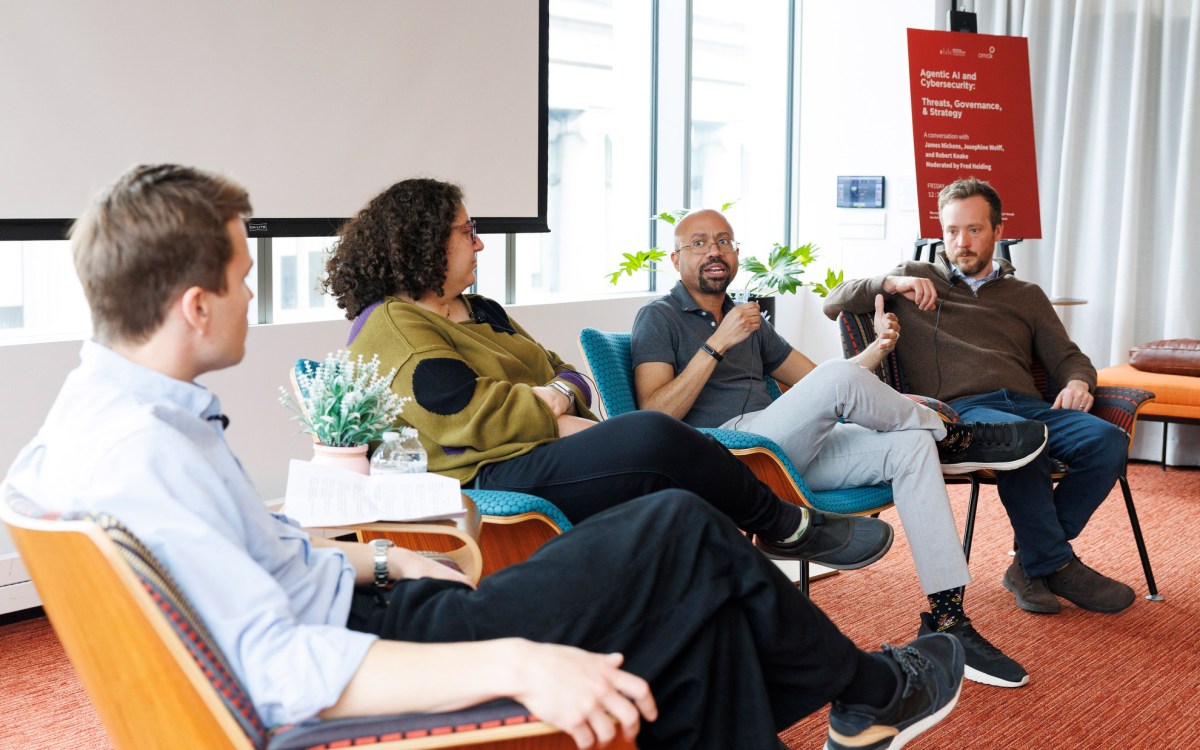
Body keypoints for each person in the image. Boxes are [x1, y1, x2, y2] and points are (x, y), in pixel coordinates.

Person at [2, 164, 967, 750]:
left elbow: (248, 561)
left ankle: (862, 704)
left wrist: (378, 556)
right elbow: (279, 669)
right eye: (244, 275)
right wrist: (521, 661)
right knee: (680, 530)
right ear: (193, 306)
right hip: (385, 652)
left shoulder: (106, 427)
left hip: (384, 600)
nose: (255, 293)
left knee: (691, 593)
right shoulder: (146, 454)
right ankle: (870, 693)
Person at [323, 177, 893, 572]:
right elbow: (476, 417)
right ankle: (787, 526)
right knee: (653, 436)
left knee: (686, 513)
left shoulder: (482, 310)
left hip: (541, 454)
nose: (479, 242)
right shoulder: (394, 325)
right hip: (485, 479)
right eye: (465, 231)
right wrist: (556, 412)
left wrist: (555, 396)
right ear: (424, 244)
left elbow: (566, 372)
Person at [630, 208, 1045, 690]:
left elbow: (818, 383)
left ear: (737, 253)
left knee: (911, 445)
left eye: (724, 241)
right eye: (699, 243)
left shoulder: (747, 317)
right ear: (676, 258)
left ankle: (949, 618)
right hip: (728, 456)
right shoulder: (658, 317)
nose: (715, 250)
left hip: (782, 450)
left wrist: (875, 353)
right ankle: (950, 436)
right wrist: (717, 344)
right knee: (895, 414)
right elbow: (654, 416)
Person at [823, 177, 1136, 616]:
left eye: (973, 230)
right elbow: (833, 302)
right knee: (1021, 441)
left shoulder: (1026, 296)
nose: (961, 242)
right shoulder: (915, 280)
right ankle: (1056, 564)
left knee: (1108, 443)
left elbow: (1067, 357)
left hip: (1028, 404)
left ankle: (1031, 562)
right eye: (951, 231)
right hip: (960, 411)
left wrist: (1078, 383)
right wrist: (891, 282)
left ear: (997, 231)